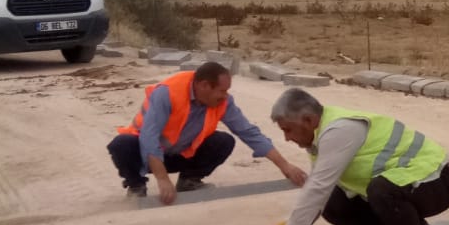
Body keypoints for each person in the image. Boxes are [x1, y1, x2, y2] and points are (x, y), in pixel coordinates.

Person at [246, 87, 449, 225]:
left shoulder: (340, 130)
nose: (286, 138)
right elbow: (319, 193)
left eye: (287, 129)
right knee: (333, 202)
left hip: (438, 180)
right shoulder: (319, 137)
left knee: (381, 189)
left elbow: (317, 189)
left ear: (308, 120)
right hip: (410, 184)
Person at [109, 61, 306, 204]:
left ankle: (189, 181)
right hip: (147, 156)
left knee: (223, 141)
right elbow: (149, 137)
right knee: (122, 144)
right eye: (222, 90)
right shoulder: (167, 92)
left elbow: (248, 132)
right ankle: (136, 186)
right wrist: (162, 179)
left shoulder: (223, 102)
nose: (225, 96)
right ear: (204, 86)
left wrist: (285, 166)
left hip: (182, 155)